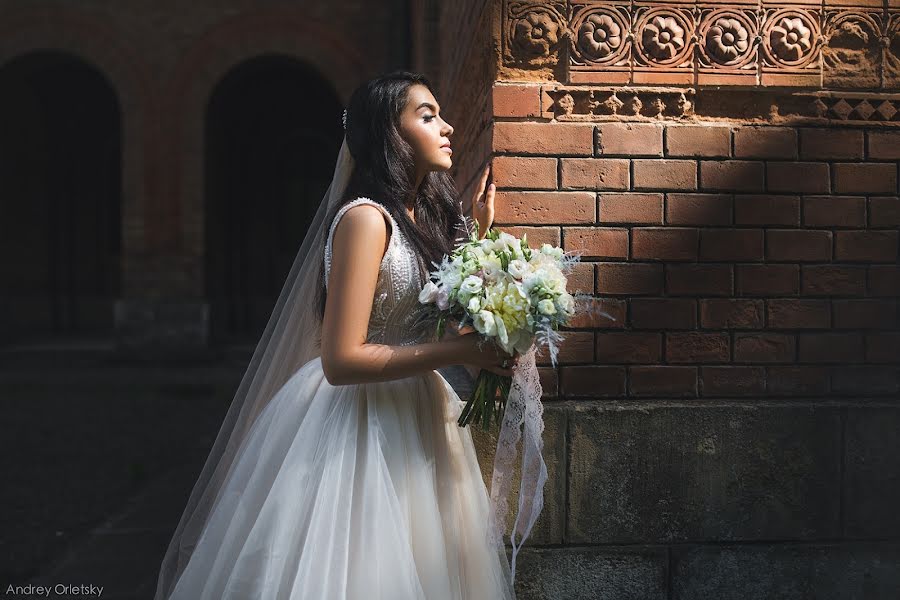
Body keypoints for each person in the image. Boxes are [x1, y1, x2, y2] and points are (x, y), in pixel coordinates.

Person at [152, 71, 546, 599]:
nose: (447, 127)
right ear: (390, 133)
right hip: (357, 420)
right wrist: (457, 350)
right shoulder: (365, 220)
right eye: (427, 116)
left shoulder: (419, 219)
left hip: (419, 411)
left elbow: (439, 308)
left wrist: (484, 247)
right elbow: (341, 360)